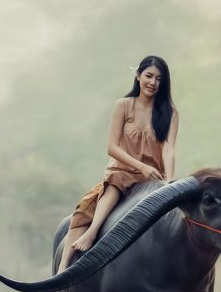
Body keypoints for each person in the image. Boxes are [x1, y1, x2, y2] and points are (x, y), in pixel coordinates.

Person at [57, 55, 179, 274]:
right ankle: (90, 234)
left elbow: (169, 149)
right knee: (97, 199)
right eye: (148, 76)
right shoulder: (123, 105)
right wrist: (140, 166)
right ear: (138, 76)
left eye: (158, 79)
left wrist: (168, 181)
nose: (152, 82)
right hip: (122, 171)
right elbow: (112, 147)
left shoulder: (170, 113)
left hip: (153, 177)